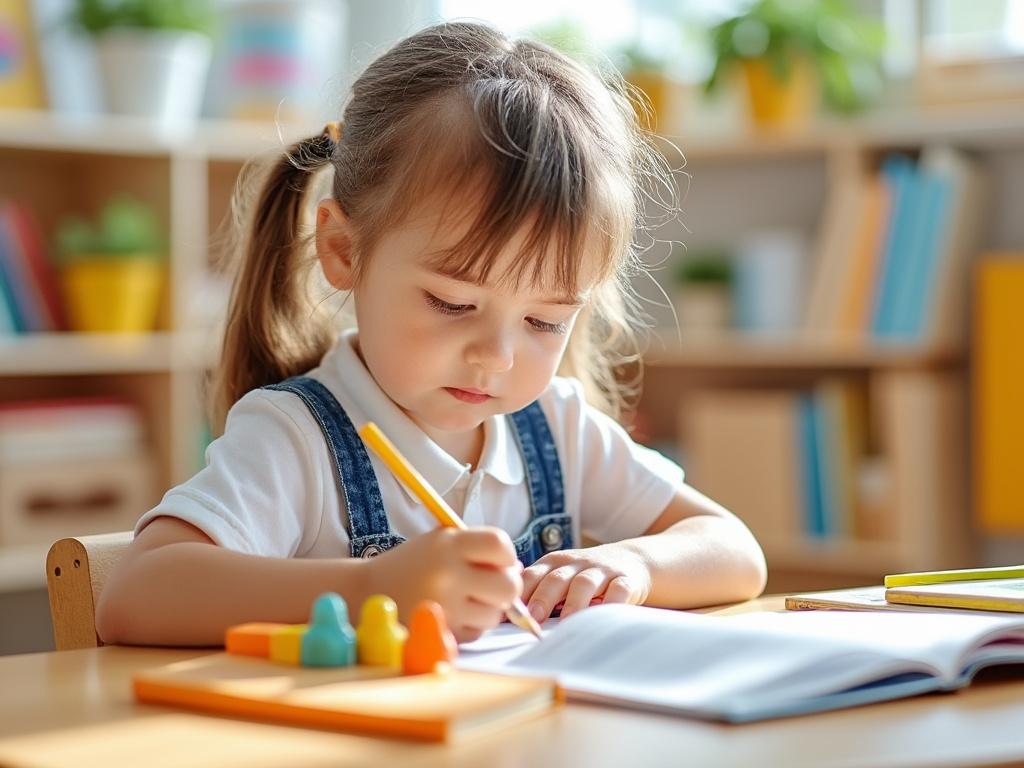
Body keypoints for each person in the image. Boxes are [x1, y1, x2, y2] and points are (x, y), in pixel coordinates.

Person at [96, 21, 766, 647]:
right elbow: (135, 593)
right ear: (343, 251)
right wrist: (371, 588)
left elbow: (733, 549)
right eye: (453, 302)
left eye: (545, 321)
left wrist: (635, 566)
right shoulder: (295, 437)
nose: (496, 357)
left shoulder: (555, 430)